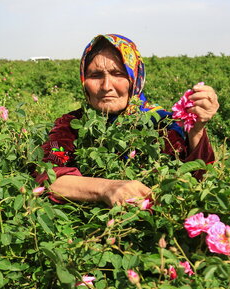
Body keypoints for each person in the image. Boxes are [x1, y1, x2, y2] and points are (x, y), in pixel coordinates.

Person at [36, 34, 218, 206]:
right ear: (84, 81)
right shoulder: (71, 125)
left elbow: (200, 181)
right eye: (95, 75)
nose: (106, 86)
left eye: (118, 74)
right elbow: (47, 176)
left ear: (134, 78)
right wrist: (106, 188)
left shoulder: (163, 125)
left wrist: (196, 130)